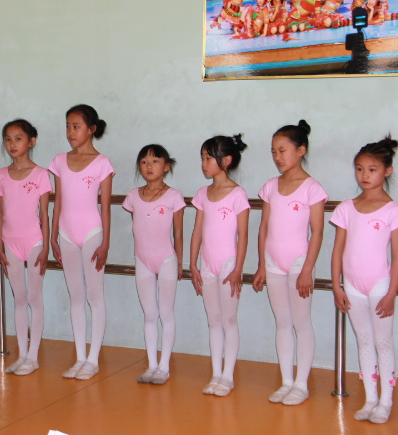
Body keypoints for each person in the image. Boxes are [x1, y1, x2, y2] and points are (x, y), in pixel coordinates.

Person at [253, 120, 327, 406]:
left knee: (301, 322)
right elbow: (263, 228)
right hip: (273, 261)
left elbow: (317, 232)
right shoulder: (270, 186)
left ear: (300, 150)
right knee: (282, 322)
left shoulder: (312, 188)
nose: (277, 157)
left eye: (282, 150)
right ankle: (286, 381)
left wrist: (307, 269)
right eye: (273, 151)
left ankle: (301, 384)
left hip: (299, 262)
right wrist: (261, 265)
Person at [331, 137, 398, 425]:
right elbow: (337, 250)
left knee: (383, 342)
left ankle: (386, 401)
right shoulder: (347, 207)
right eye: (359, 169)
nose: (364, 175)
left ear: (387, 171)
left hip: (380, 285)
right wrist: (337, 286)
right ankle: (370, 399)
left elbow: (396, 255)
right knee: (364, 341)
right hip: (353, 285)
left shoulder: (392, 210)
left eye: (372, 169)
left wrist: (392, 292)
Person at [49, 104, 114, 381]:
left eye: (76, 127)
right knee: (75, 296)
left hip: (91, 233)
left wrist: (105, 242)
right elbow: (58, 201)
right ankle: (79, 357)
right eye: (67, 126)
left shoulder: (102, 163)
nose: (70, 132)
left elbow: (106, 207)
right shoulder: (59, 160)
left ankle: (93, 359)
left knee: (94, 296)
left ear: (91, 129)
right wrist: (53, 235)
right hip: (66, 233)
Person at [190, 134, 249, 397]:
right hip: (207, 263)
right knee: (213, 320)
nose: (203, 163)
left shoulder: (237, 194)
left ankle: (228, 376)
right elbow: (197, 231)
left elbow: (243, 235)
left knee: (229, 319)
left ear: (226, 160)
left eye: (208, 158)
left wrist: (238, 269)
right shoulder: (202, 194)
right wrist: (192, 264)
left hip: (228, 264)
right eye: (202, 158)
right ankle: (216, 373)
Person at [0, 119, 51, 376]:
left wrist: (46, 247)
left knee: (34, 298)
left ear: (31, 141)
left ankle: (33, 356)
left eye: (18, 138)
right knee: (19, 298)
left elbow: (44, 214)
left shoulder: (41, 174)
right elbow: (0, 213)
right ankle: (22, 354)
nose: (12, 144)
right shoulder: (1, 176)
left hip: (34, 241)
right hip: (10, 242)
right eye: (8, 139)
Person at [122, 144, 184, 385]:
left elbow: (178, 233)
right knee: (149, 314)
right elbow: (138, 227)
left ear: (166, 166)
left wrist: (179, 261)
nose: (149, 166)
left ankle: (164, 366)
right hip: (142, 260)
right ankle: (151, 365)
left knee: (166, 313)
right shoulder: (132, 196)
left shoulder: (174, 196)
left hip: (166, 259)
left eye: (155, 161)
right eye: (144, 162)